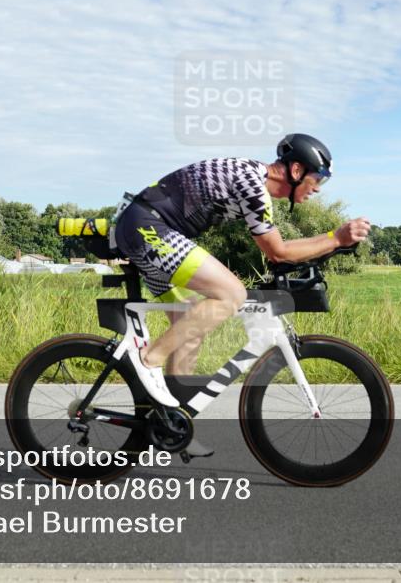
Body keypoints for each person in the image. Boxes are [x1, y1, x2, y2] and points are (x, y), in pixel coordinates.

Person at [114, 133, 371, 414]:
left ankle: (171, 421)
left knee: (188, 324)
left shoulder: (253, 178)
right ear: (297, 170)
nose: (318, 189)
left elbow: (275, 250)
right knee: (231, 295)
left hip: (145, 226)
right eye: (318, 179)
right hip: (149, 228)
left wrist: (329, 244)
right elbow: (278, 251)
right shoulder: (252, 184)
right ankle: (148, 359)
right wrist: (337, 237)